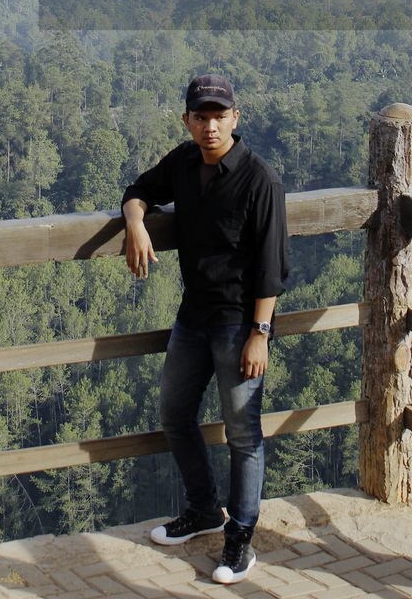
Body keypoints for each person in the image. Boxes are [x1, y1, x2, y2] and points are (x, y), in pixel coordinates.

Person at [121, 74, 289, 585]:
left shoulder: (261, 180)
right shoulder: (184, 162)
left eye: (219, 116)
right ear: (188, 121)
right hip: (192, 318)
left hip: (239, 324)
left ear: (236, 119)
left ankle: (240, 539)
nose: (210, 125)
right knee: (174, 413)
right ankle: (202, 511)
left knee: (243, 434)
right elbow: (138, 191)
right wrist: (135, 223)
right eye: (201, 117)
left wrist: (260, 332)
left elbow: (270, 266)